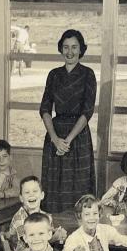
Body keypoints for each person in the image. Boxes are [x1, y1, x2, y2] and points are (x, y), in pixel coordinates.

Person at [39, 29, 97, 213]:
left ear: (81, 50)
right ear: (60, 49)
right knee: (54, 189)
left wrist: (68, 140)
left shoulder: (88, 74)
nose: (69, 52)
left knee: (78, 190)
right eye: (66, 47)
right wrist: (55, 139)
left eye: (74, 47)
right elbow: (45, 109)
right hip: (55, 136)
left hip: (78, 138)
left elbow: (87, 112)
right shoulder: (53, 74)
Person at [0, 175, 68, 251]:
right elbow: (31, 246)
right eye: (27, 192)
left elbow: (45, 239)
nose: (31, 194)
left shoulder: (46, 217)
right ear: (21, 198)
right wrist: (54, 238)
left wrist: (58, 233)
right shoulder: (19, 219)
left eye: (35, 191)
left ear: (42, 195)